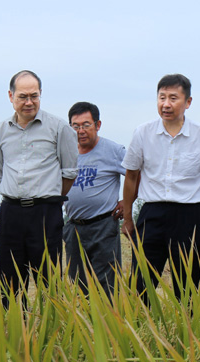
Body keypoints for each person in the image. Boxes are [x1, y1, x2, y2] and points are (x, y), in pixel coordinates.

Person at [121, 73, 200, 301]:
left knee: (186, 286)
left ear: (188, 102)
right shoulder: (143, 133)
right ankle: (135, 330)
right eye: (162, 97)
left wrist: (199, 203)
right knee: (139, 283)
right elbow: (131, 177)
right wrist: (128, 218)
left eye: (173, 98)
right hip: (152, 214)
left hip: (190, 217)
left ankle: (184, 332)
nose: (166, 104)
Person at [0, 70, 78, 307]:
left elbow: (69, 172)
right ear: (11, 96)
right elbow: (0, 173)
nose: (29, 102)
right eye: (22, 96)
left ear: (41, 95)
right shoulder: (1, 131)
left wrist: (50, 197)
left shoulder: (59, 128)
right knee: (9, 278)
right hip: (11, 212)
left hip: (45, 213)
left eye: (34, 95)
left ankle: (51, 330)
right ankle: (14, 329)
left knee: (48, 278)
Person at [63, 101, 125, 296]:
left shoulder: (114, 151)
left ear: (98, 125)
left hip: (103, 225)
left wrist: (128, 202)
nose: (81, 130)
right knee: (77, 283)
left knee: (107, 283)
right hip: (74, 227)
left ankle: (109, 323)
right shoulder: (65, 153)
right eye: (76, 126)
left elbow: (138, 175)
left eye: (86, 125)